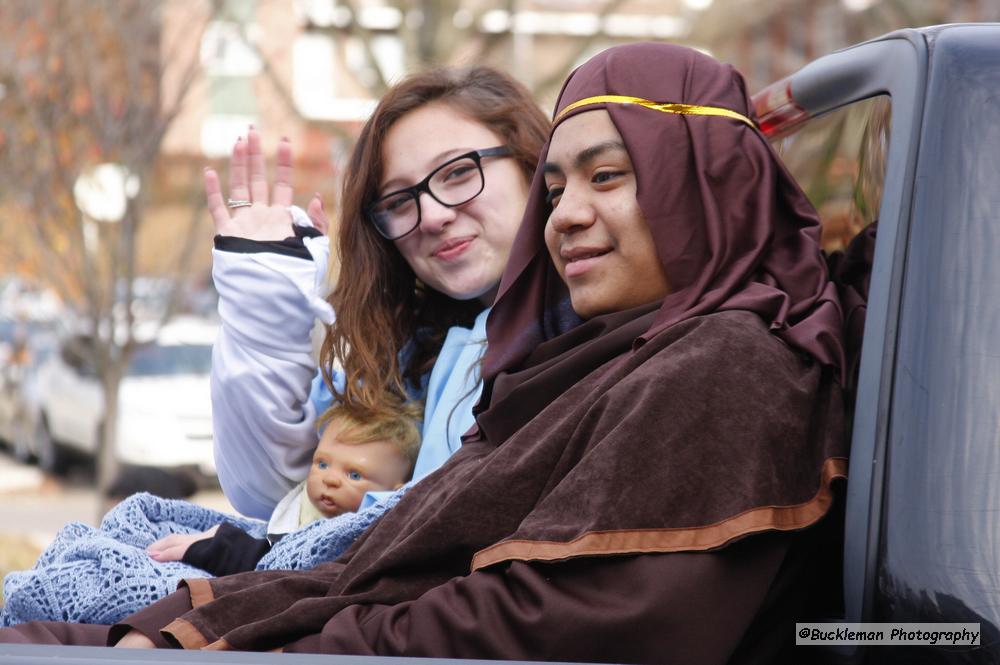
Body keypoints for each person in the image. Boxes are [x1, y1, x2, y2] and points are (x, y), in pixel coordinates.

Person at [0, 43, 849, 663]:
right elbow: (302, 493)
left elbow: (565, 616)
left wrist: (274, 633)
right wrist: (261, 305)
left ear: (705, 179)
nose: (567, 216)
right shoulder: (574, 352)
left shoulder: (721, 363)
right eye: (399, 199)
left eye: (609, 176)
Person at [0, 65, 549, 629]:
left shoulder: (588, 337)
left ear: (535, 163)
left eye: (458, 173)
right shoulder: (407, 348)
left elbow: (427, 541)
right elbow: (279, 490)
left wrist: (259, 554)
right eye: (400, 201)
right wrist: (265, 302)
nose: (431, 215)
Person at [147, 407, 421, 577]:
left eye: (354, 474)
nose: (330, 479)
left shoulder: (372, 538)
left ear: (394, 493)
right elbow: (274, 540)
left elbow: (284, 565)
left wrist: (222, 545)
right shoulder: (303, 505)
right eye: (322, 463)